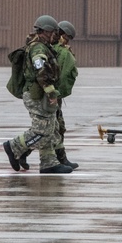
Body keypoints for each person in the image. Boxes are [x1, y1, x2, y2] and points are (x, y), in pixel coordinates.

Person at [2, 15, 72, 174]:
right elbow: (41, 70)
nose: (55, 35)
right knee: (41, 131)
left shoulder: (44, 46)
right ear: (45, 31)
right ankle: (13, 147)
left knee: (49, 127)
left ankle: (48, 163)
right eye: (53, 31)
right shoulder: (38, 48)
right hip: (36, 93)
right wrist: (50, 91)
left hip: (41, 93)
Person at [52, 20, 79, 169]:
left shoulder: (56, 49)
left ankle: (61, 159)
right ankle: (18, 150)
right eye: (66, 37)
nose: (67, 40)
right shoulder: (59, 51)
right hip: (51, 95)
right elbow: (62, 76)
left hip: (55, 95)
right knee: (49, 129)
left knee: (58, 127)